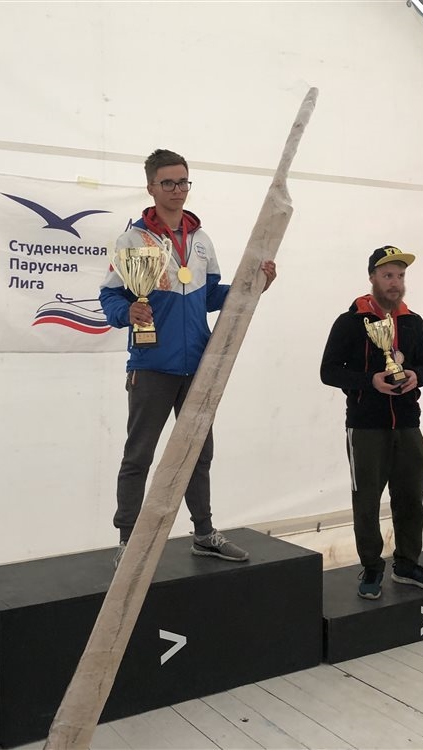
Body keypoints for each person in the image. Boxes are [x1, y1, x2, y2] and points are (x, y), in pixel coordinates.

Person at [99, 148, 276, 567]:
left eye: (183, 182)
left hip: (198, 365)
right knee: (139, 455)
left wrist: (255, 285)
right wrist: (128, 311)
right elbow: (109, 296)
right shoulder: (132, 240)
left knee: (198, 453)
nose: (177, 190)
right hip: (151, 366)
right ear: (151, 187)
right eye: (168, 183)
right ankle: (127, 540)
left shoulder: (201, 240)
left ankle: (204, 534)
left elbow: (211, 296)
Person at [320, 246, 423, 599]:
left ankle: (407, 564)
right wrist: (369, 381)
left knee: (410, 498)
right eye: (388, 275)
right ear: (372, 277)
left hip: (407, 423)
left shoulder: (413, 321)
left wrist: (416, 375)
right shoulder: (350, 322)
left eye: (400, 276)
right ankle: (372, 567)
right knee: (367, 501)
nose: (395, 283)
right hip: (365, 426)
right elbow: (329, 371)